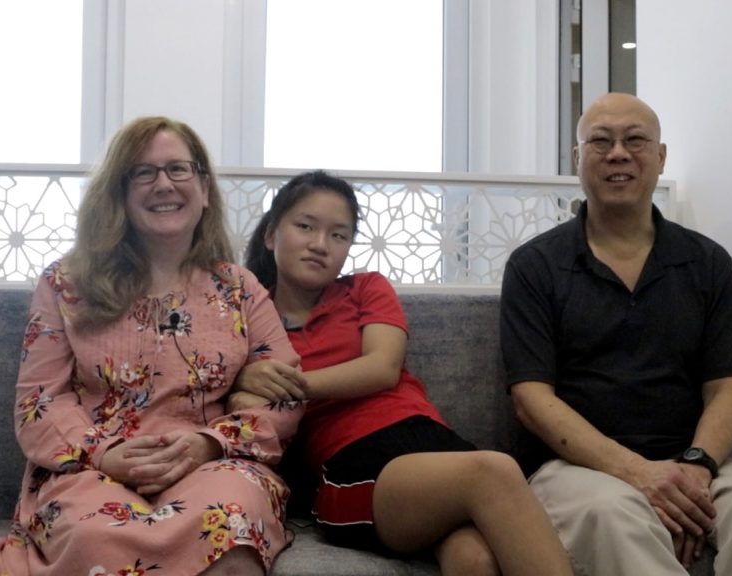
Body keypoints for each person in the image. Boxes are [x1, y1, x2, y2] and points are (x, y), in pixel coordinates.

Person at [500, 93, 732, 576]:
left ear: (661, 156)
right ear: (577, 159)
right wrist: (637, 473)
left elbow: (727, 389)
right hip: (578, 472)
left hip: (692, 460)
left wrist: (695, 466)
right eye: (600, 141)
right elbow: (531, 399)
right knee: (615, 514)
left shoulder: (708, 263)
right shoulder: (535, 266)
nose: (619, 153)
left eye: (636, 140)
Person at [0, 116, 304, 576]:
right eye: (143, 172)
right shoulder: (65, 285)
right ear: (119, 193)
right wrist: (103, 453)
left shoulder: (240, 288)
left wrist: (209, 443)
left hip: (213, 463)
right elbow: (38, 402)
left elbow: (284, 396)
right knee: (96, 535)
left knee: (229, 521)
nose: (163, 184)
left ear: (204, 188)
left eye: (178, 169)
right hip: (90, 469)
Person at [233, 170, 574, 576]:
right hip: (354, 465)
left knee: (474, 559)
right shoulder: (248, 318)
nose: (320, 245)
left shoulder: (365, 288)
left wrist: (291, 386)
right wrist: (245, 383)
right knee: (495, 471)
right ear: (271, 234)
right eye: (305, 226)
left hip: (431, 441)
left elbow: (382, 368)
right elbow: (237, 402)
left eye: (339, 235)